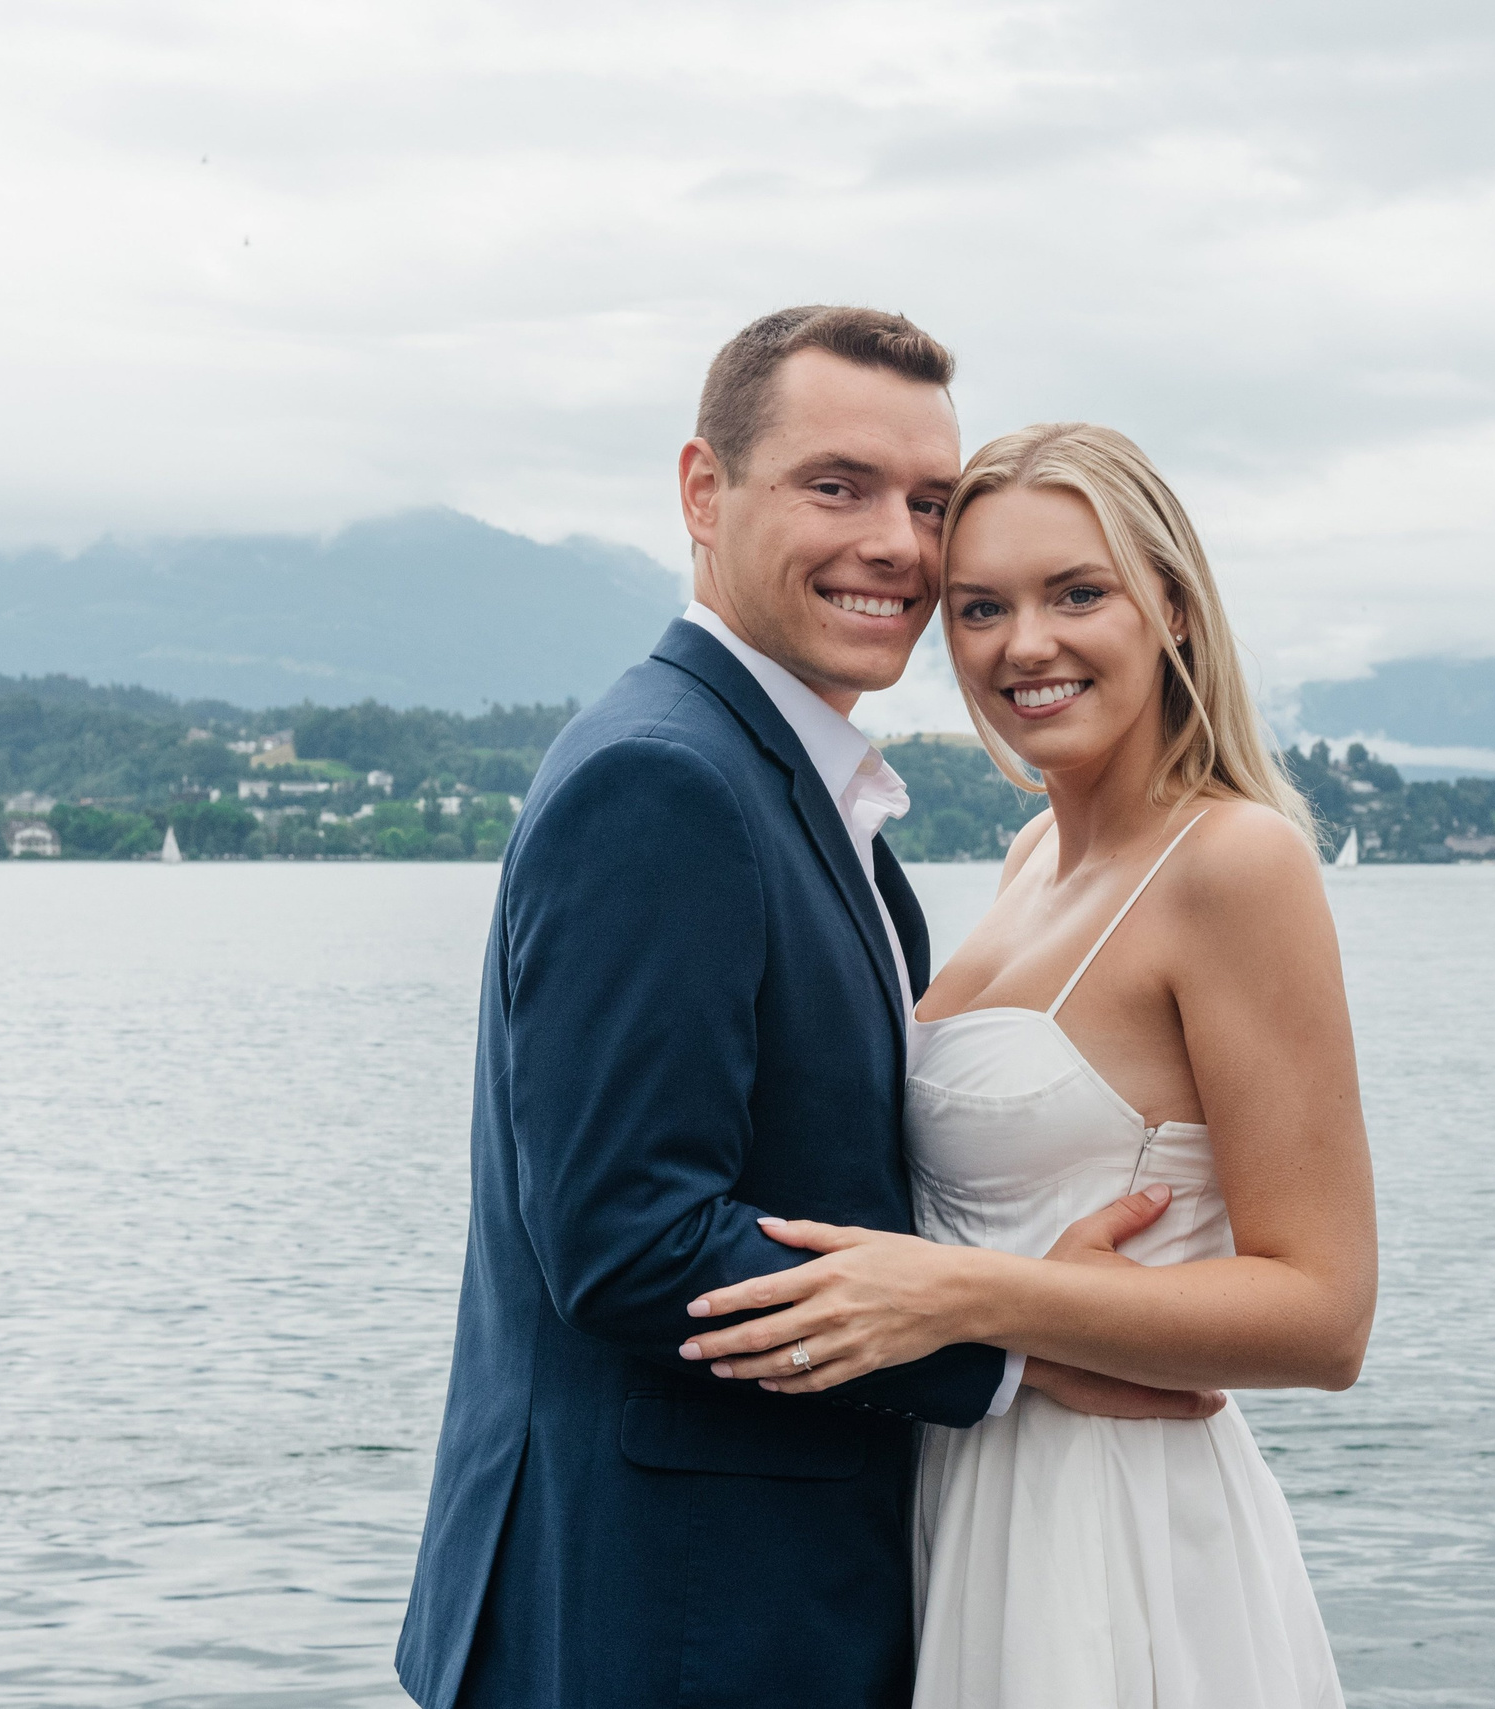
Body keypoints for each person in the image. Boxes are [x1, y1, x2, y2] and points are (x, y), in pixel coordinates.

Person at [394, 314, 1220, 1709]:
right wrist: (1016, 1338)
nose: (897, 542)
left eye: (928, 502)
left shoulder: (793, 783)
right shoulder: (667, 782)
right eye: (836, 487)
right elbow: (630, 1238)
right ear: (704, 496)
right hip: (660, 1619)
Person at [676, 422, 1380, 1707]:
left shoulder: (1234, 863)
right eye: (980, 606)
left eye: (1078, 593)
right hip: (965, 1492)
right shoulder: (1024, 863)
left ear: (1168, 601)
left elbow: (1322, 1315)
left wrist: (964, 1296)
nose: (1025, 645)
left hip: (1117, 1527)